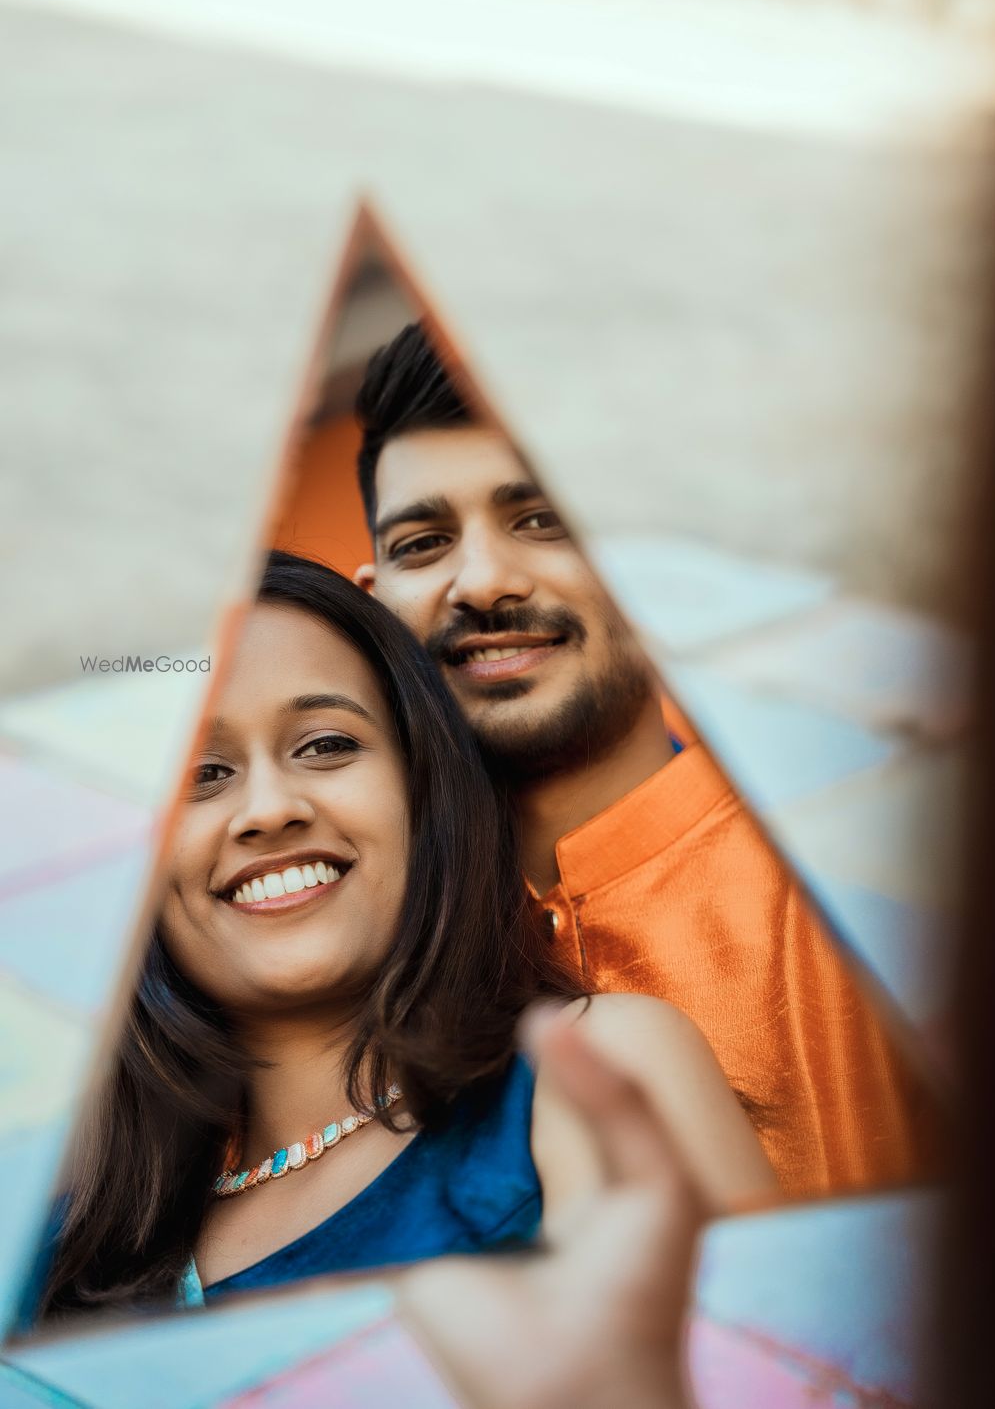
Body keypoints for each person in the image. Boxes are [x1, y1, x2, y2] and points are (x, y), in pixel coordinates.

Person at [41, 553, 773, 1317]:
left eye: (325, 744)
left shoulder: (594, 1075)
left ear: (423, 790)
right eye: (199, 774)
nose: (269, 808)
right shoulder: (66, 1251)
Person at [353, 321, 940, 1198]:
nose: (481, 582)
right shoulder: (356, 959)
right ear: (374, 605)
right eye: (422, 544)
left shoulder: (884, 869)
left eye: (545, 519)